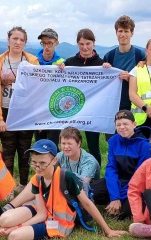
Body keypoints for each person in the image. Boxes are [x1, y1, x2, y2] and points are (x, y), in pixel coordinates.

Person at [0, 139, 127, 239]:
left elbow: (87, 203)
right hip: (43, 213)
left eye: (42, 163)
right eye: (34, 162)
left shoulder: (67, 177)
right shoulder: (37, 178)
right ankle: (22, 225)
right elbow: (42, 214)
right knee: (4, 220)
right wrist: (14, 226)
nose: (37, 167)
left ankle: (24, 227)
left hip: (59, 221)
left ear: (54, 161)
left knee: (14, 236)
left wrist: (108, 230)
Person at [0, 26, 39, 199]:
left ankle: (23, 186)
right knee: (7, 151)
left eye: (21, 39)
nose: (17, 42)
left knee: (24, 150)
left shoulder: (32, 61)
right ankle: (8, 187)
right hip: (5, 111)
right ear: (8, 40)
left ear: (25, 42)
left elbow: (38, 90)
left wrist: (37, 118)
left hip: (24, 113)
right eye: (14, 38)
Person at [0, 127, 100, 213]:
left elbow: (80, 185)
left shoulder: (89, 161)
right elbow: (45, 172)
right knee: (38, 177)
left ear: (79, 144)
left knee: (43, 181)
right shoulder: (60, 156)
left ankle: (28, 206)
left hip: (83, 196)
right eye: (63, 143)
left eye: (69, 144)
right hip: (64, 190)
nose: (66, 147)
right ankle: (11, 206)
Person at [91, 110, 151, 220]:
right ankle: (113, 202)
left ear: (134, 124)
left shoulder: (145, 145)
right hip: (117, 181)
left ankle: (117, 205)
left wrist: (120, 196)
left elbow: (139, 177)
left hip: (135, 185)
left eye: (125, 124)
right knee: (90, 191)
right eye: (118, 125)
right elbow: (111, 169)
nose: (122, 127)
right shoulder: (113, 140)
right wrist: (115, 197)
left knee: (126, 213)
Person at [59, 28, 106, 165]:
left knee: (93, 146)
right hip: (73, 110)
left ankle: (95, 176)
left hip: (93, 111)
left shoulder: (101, 63)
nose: (85, 47)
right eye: (81, 44)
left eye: (88, 43)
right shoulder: (70, 62)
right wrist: (60, 68)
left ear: (93, 43)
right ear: (77, 44)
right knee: (70, 144)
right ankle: (69, 173)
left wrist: (108, 69)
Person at [34, 28, 65, 147]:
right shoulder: (33, 61)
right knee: (39, 144)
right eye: (44, 43)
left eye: (50, 43)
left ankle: (53, 166)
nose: (47, 47)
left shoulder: (62, 63)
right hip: (37, 109)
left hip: (54, 110)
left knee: (52, 145)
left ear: (56, 43)